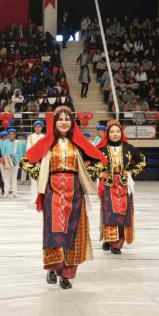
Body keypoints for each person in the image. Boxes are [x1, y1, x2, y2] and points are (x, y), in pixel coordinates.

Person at [19, 106, 108, 289]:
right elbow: (25, 161)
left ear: (72, 122)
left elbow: (100, 160)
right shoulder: (46, 142)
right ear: (54, 122)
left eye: (68, 119)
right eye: (60, 119)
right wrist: (42, 175)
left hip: (75, 190)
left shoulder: (79, 143)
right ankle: (52, 268)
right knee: (54, 231)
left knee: (73, 232)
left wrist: (85, 174)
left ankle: (66, 274)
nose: (64, 122)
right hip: (52, 191)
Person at [93, 120, 146, 255]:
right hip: (108, 184)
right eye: (112, 132)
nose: (115, 134)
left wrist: (132, 172)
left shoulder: (129, 148)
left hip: (123, 184)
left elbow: (142, 160)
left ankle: (117, 243)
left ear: (121, 132)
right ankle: (109, 239)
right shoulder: (100, 149)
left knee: (123, 213)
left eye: (117, 131)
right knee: (109, 213)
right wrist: (99, 172)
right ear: (107, 133)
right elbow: (89, 163)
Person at [0, 129, 24, 198]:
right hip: (6, 160)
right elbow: (2, 152)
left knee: (14, 177)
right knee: (6, 177)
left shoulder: (18, 142)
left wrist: (16, 160)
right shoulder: (4, 142)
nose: (11, 135)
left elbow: (21, 153)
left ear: (15, 135)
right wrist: (6, 159)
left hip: (15, 161)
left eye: (12, 134)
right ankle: (6, 192)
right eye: (10, 134)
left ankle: (15, 192)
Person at [24, 121, 46, 198]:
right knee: (33, 180)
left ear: (42, 128)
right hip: (33, 160)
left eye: (39, 127)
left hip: (42, 161)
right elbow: (28, 149)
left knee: (42, 180)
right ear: (34, 128)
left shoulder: (44, 137)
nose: (37, 128)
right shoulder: (30, 137)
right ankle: (33, 197)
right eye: (36, 126)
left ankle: (41, 198)